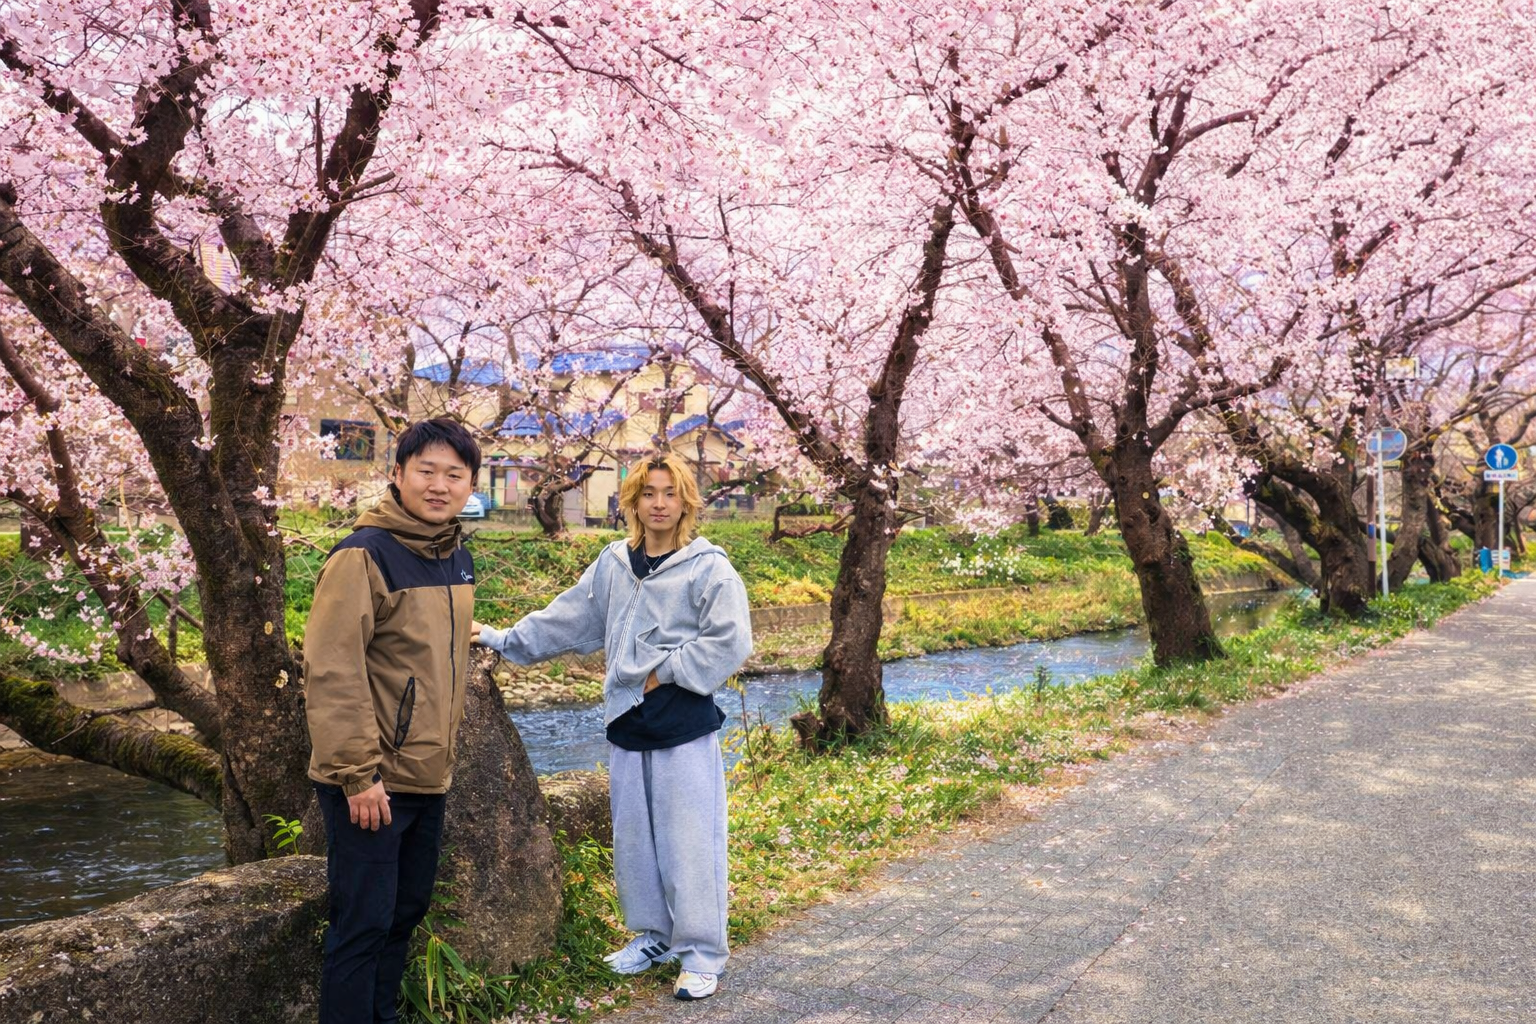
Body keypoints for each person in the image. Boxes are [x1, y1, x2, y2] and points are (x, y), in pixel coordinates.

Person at [474, 452, 751, 1001]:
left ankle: (700, 955)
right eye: (648, 493)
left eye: (670, 493)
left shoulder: (708, 566)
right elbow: (570, 617)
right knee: (634, 841)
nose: (659, 503)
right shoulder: (614, 563)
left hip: (683, 725)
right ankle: (653, 937)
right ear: (631, 500)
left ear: (687, 501)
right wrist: (505, 639)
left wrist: (663, 670)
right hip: (626, 721)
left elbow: (731, 641)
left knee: (690, 843)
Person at [304, 417, 480, 1024]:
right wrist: (357, 774)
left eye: (453, 475)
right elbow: (332, 669)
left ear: (470, 484)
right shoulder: (362, 556)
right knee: (362, 925)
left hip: (428, 776)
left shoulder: (454, 555)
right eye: (425, 471)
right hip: (371, 782)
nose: (439, 485)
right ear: (397, 475)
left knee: (402, 916)